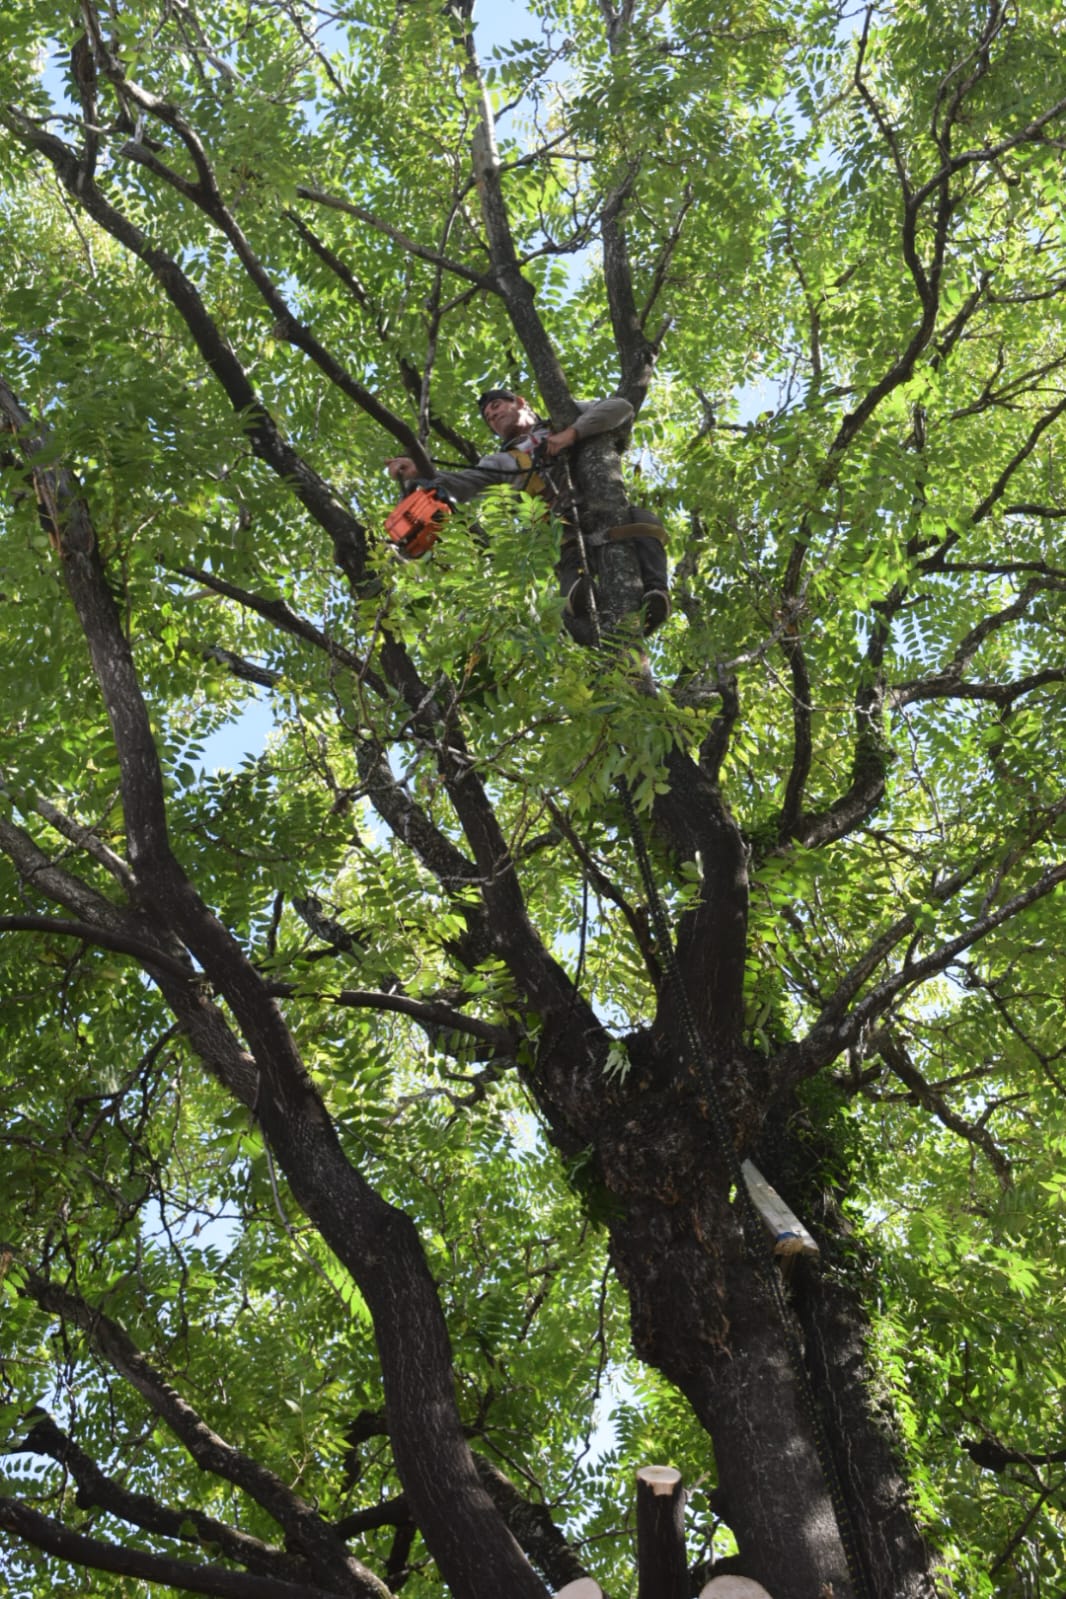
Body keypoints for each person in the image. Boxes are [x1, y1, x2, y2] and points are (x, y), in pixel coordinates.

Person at [385, 389, 670, 634]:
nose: (493, 416)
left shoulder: (565, 416)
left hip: (603, 506)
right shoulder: (500, 461)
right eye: (488, 417)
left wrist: (570, 434)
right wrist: (417, 471)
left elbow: (621, 407)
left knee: (644, 522)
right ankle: (582, 608)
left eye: (496, 406)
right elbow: (462, 484)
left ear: (520, 402)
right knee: (572, 581)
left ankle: (655, 596)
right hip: (562, 528)